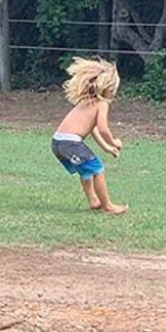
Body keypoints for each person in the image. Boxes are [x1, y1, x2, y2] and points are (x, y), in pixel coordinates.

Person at [51, 57, 126, 215]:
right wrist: (114, 141)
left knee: (86, 170)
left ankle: (93, 200)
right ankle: (108, 206)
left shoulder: (86, 101)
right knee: (98, 169)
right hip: (71, 143)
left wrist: (107, 147)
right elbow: (103, 129)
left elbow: (92, 129)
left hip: (58, 142)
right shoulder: (101, 104)